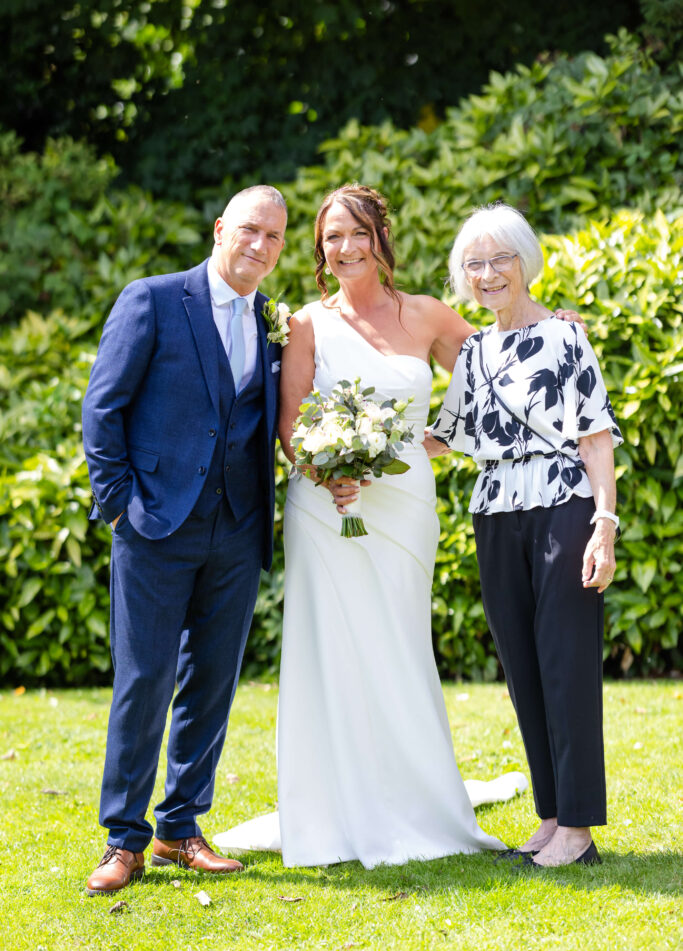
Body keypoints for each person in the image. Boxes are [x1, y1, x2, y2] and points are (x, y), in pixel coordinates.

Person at [215, 184, 557, 868]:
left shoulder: (428, 315)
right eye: (329, 239)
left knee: (398, 642)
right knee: (330, 649)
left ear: (380, 240)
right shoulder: (306, 323)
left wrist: (552, 328)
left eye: (354, 234)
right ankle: (333, 803)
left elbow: (498, 368)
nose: (342, 248)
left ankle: (413, 794)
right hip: (324, 509)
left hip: (403, 506)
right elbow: (290, 421)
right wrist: (322, 470)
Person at [81, 185, 288, 894]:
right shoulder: (155, 299)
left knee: (211, 682)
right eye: (250, 231)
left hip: (235, 528)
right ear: (220, 228)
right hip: (154, 525)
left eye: (275, 238)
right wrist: (118, 507)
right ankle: (123, 839)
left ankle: (179, 826)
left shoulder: (271, 320)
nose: (260, 246)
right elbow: (103, 406)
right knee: (143, 680)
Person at [426, 203, 622, 868]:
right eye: (473, 263)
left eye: (498, 259)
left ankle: (579, 828)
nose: (486, 274)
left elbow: (594, 436)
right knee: (522, 666)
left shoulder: (567, 339)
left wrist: (604, 526)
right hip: (494, 511)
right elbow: (443, 439)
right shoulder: (474, 351)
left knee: (564, 661)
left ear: (524, 262)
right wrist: (359, 441)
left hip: (562, 505)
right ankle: (550, 815)